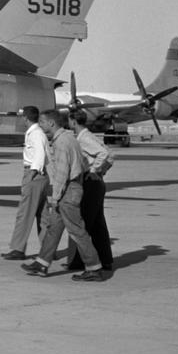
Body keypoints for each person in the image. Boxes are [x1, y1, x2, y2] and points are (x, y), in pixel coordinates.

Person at [21, 109, 103, 281]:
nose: (40, 125)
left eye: (42, 122)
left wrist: (55, 197)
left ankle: (94, 267)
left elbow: (62, 173)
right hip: (70, 189)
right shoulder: (68, 138)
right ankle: (42, 263)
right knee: (53, 229)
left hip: (68, 192)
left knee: (77, 231)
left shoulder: (61, 143)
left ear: (51, 123)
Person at [70, 110, 115, 272]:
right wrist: (102, 171)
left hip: (90, 183)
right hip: (97, 183)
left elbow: (105, 154)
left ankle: (81, 261)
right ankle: (106, 260)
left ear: (73, 121)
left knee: (84, 224)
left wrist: (95, 171)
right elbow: (109, 156)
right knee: (97, 224)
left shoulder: (84, 138)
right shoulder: (88, 135)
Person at [2, 106, 48, 260]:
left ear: (26, 118)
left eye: (22, 117)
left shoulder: (35, 134)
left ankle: (18, 249)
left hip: (33, 174)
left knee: (25, 213)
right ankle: (48, 249)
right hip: (40, 176)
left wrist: (32, 174)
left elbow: (40, 155)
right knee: (43, 216)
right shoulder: (37, 132)